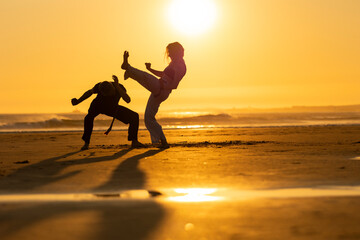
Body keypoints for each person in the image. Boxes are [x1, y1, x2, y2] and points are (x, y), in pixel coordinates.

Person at [121, 42, 187, 148]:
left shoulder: (181, 66)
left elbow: (174, 85)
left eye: (170, 53)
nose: (169, 55)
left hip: (162, 90)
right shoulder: (173, 63)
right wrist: (150, 69)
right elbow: (163, 74)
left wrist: (161, 87)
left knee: (145, 77)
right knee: (148, 118)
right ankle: (163, 141)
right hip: (160, 88)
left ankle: (128, 68)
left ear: (176, 52)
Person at [71, 75, 145, 150]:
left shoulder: (119, 87)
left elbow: (128, 100)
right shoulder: (99, 86)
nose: (109, 95)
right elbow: (89, 93)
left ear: (113, 89)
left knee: (134, 116)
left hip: (112, 107)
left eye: (111, 93)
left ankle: (134, 141)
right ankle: (86, 143)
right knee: (88, 118)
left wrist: (117, 87)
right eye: (106, 95)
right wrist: (78, 101)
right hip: (97, 105)